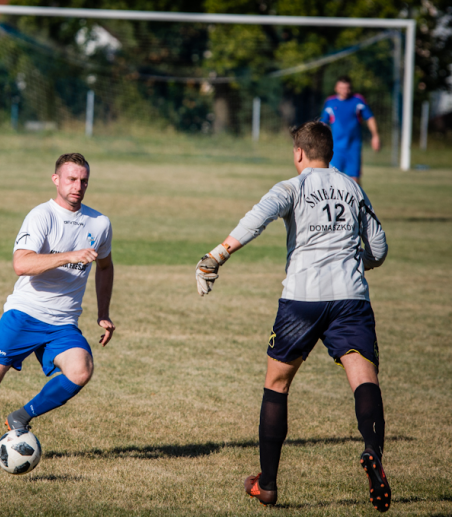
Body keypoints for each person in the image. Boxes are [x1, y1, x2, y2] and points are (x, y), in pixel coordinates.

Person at [195, 122, 390, 512]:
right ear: (329, 152)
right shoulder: (353, 187)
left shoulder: (292, 186)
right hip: (351, 298)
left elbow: (257, 218)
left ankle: (267, 485)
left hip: (302, 299)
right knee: (363, 377)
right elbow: (380, 248)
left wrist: (216, 256)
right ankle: (372, 452)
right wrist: (354, 264)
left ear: (299, 153)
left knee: (277, 385)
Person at [0, 153, 116, 461]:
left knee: (81, 370)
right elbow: (21, 264)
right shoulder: (41, 216)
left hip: (62, 323)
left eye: (84, 180)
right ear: (56, 179)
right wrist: (69, 255)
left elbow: (106, 267)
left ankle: (21, 416)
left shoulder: (99, 223)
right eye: (71, 179)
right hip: (25, 314)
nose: (78, 186)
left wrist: (103, 314)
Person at [320, 76, 380, 184]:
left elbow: (370, 118)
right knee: (333, 179)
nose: (345, 91)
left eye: (347, 88)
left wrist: (375, 136)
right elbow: (323, 123)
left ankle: (356, 201)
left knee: (354, 180)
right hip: (336, 148)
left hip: (353, 147)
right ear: (336, 88)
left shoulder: (357, 101)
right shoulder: (330, 102)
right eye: (342, 88)